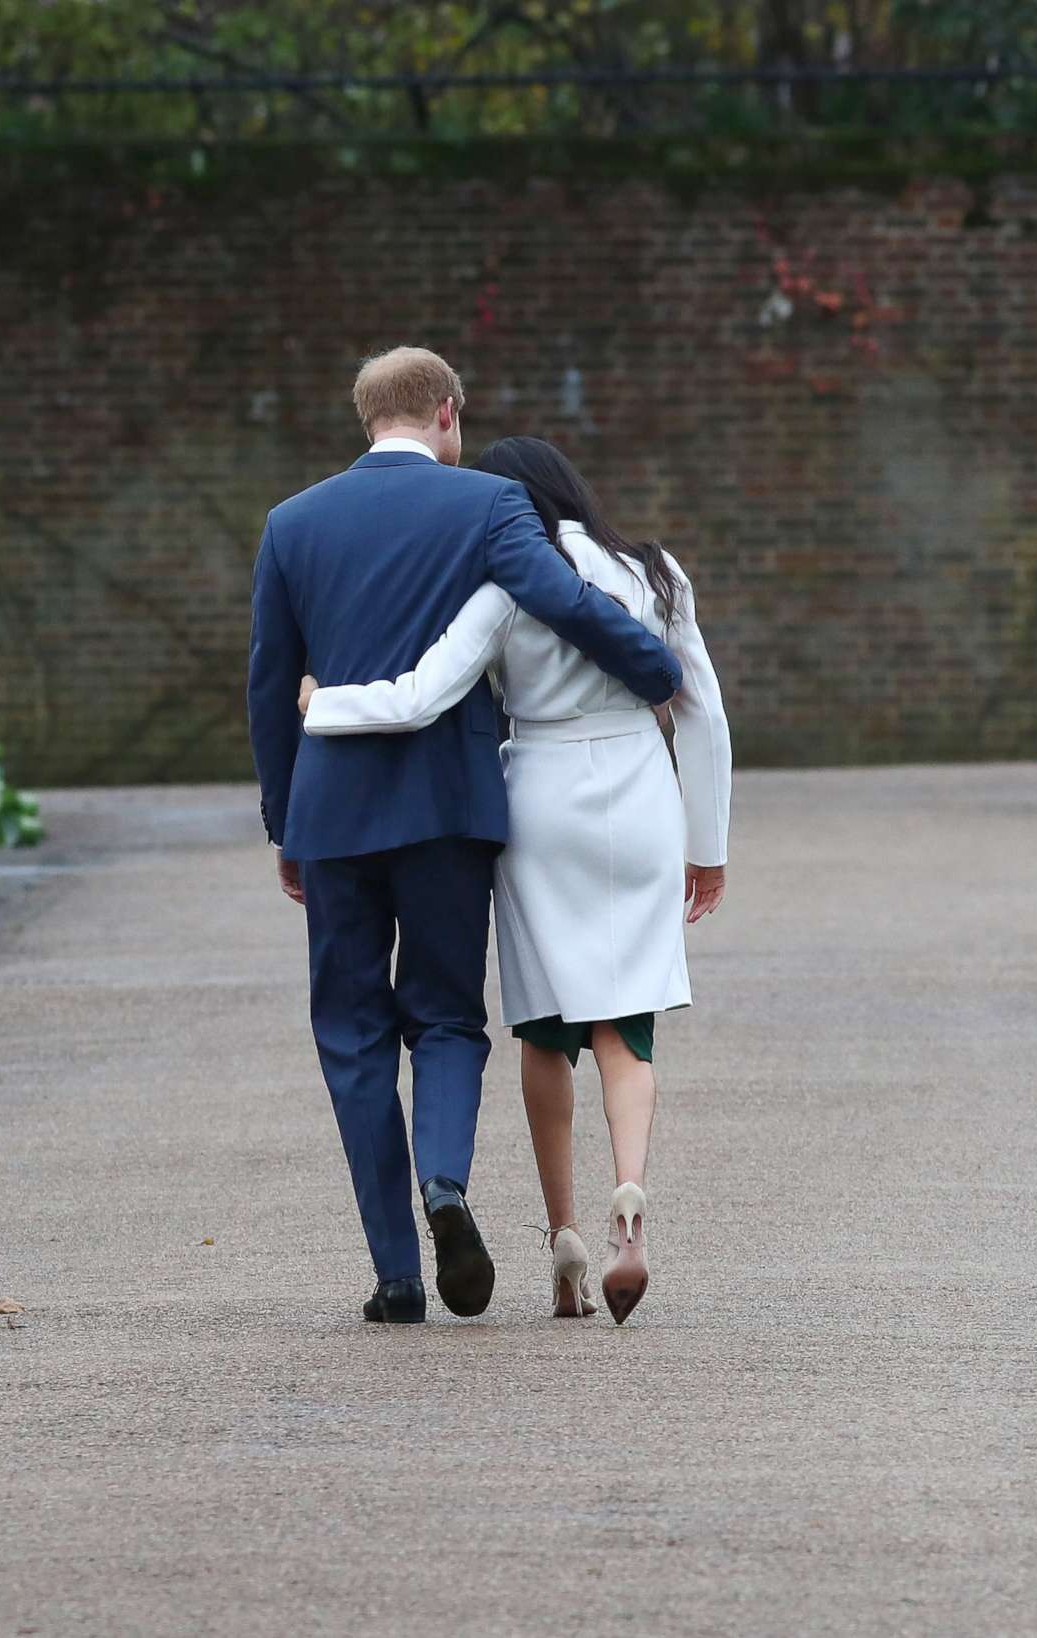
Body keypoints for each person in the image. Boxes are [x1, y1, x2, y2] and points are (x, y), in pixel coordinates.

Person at [246, 350, 682, 1325]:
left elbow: (270, 687)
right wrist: (653, 669)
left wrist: (285, 820)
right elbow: (563, 602)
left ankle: (397, 1274)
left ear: (367, 420)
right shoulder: (485, 506)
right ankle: (445, 1181)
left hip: (333, 812)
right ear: (448, 414)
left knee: (353, 1033)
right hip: (446, 804)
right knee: (444, 1016)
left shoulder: (292, 524)